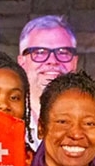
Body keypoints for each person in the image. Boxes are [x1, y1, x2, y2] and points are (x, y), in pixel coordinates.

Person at [17, 15, 78, 149]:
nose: (52, 60)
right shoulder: (2, 121)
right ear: (22, 63)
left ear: (75, 62)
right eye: (40, 52)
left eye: (63, 52)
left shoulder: (94, 121)